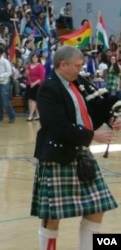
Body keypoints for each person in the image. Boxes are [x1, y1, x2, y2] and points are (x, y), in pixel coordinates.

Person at [31, 45, 121, 250]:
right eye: (78, 65)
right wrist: (92, 136)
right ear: (63, 65)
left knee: (97, 208)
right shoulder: (48, 88)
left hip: (82, 155)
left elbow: (97, 105)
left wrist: (111, 117)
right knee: (52, 216)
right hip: (58, 155)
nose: (81, 69)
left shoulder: (78, 81)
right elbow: (57, 125)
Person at [0, 43, 15, 123]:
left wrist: (1, 75)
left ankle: (12, 116)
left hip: (4, 83)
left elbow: (9, 72)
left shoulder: (5, 61)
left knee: (5, 101)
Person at [25, 52, 45, 121]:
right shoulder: (29, 66)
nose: (34, 59)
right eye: (33, 57)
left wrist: (34, 83)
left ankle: (30, 115)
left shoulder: (40, 66)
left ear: (38, 58)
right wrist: (26, 73)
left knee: (32, 100)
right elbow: (26, 76)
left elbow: (42, 77)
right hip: (29, 84)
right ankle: (38, 115)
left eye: (36, 57)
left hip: (37, 85)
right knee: (33, 100)